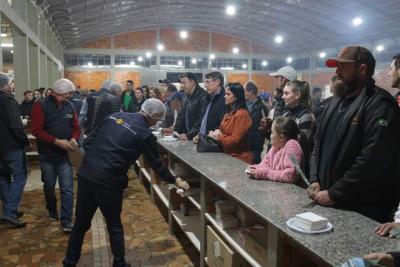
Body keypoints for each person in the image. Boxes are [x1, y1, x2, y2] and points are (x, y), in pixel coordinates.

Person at [62, 99, 190, 267]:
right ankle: (119, 263)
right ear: (153, 117)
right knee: (114, 224)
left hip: (87, 174)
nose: (155, 124)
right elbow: (157, 165)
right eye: (156, 120)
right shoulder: (145, 135)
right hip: (110, 181)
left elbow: (87, 142)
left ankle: (69, 262)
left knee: (80, 223)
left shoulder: (114, 116)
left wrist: (99, 157)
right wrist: (175, 180)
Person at [308, 46, 400, 223]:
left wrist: (335, 193)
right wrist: (315, 178)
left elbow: (372, 160)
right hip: (329, 199)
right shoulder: (335, 101)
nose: (337, 71)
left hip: (362, 208)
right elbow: (318, 142)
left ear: (363, 69)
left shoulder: (380, 105)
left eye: (343, 66)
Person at [31, 78, 80, 232]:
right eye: (68, 94)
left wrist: (73, 139)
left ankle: (66, 221)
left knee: (67, 188)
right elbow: (37, 130)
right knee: (49, 185)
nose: (70, 96)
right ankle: (52, 209)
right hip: (47, 154)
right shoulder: (41, 105)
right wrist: (56, 141)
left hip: (65, 155)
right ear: (58, 92)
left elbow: (76, 128)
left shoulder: (70, 106)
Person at [0, 73, 29, 228]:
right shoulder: (9, 101)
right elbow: (16, 126)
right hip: (11, 146)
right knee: (20, 177)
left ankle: (8, 208)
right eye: (12, 84)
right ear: (6, 85)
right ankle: (9, 212)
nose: (13, 87)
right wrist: (24, 142)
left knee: (3, 177)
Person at [247, 116, 303, 183]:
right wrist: (256, 170)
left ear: (281, 137)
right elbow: (265, 163)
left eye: (272, 132)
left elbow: (290, 175)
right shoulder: (275, 147)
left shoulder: (292, 146)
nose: (270, 136)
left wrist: (264, 173)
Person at [208, 83, 253, 164]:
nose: (225, 96)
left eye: (228, 94)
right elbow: (224, 131)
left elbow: (234, 140)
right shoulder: (230, 112)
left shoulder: (242, 114)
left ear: (236, 97)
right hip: (228, 155)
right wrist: (216, 132)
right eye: (225, 94)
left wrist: (218, 137)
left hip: (239, 159)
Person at [282, 80, 315, 175]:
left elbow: (300, 146)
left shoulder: (306, 116)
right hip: (284, 163)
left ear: (297, 95)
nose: (283, 96)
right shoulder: (286, 114)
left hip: (299, 168)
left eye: (286, 93)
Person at [174, 72, 207, 140]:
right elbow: (180, 116)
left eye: (184, 83)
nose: (181, 86)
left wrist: (189, 135)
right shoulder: (185, 96)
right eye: (181, 83)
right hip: (184, 136)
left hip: (196, 138)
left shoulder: (203, 96)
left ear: (192, 82)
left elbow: (201, 120)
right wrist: (175, 131)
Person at [244, 81, 269, 164]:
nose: (244, 93)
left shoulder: (262, 106)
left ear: (251, 91)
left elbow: (265, 125)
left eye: (245, 91)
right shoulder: (243, 104)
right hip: (244, 143)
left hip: (255, 145)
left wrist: (259, 138)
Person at [196, 71, 226, 138]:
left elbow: (221, 125)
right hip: (203, 140)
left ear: (217, 82)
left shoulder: (224, 100)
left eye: (207, 82)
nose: (205, 85)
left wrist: (208, 138)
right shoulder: (207, 98)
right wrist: (199, 135)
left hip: (213, 142)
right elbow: (202, 120)